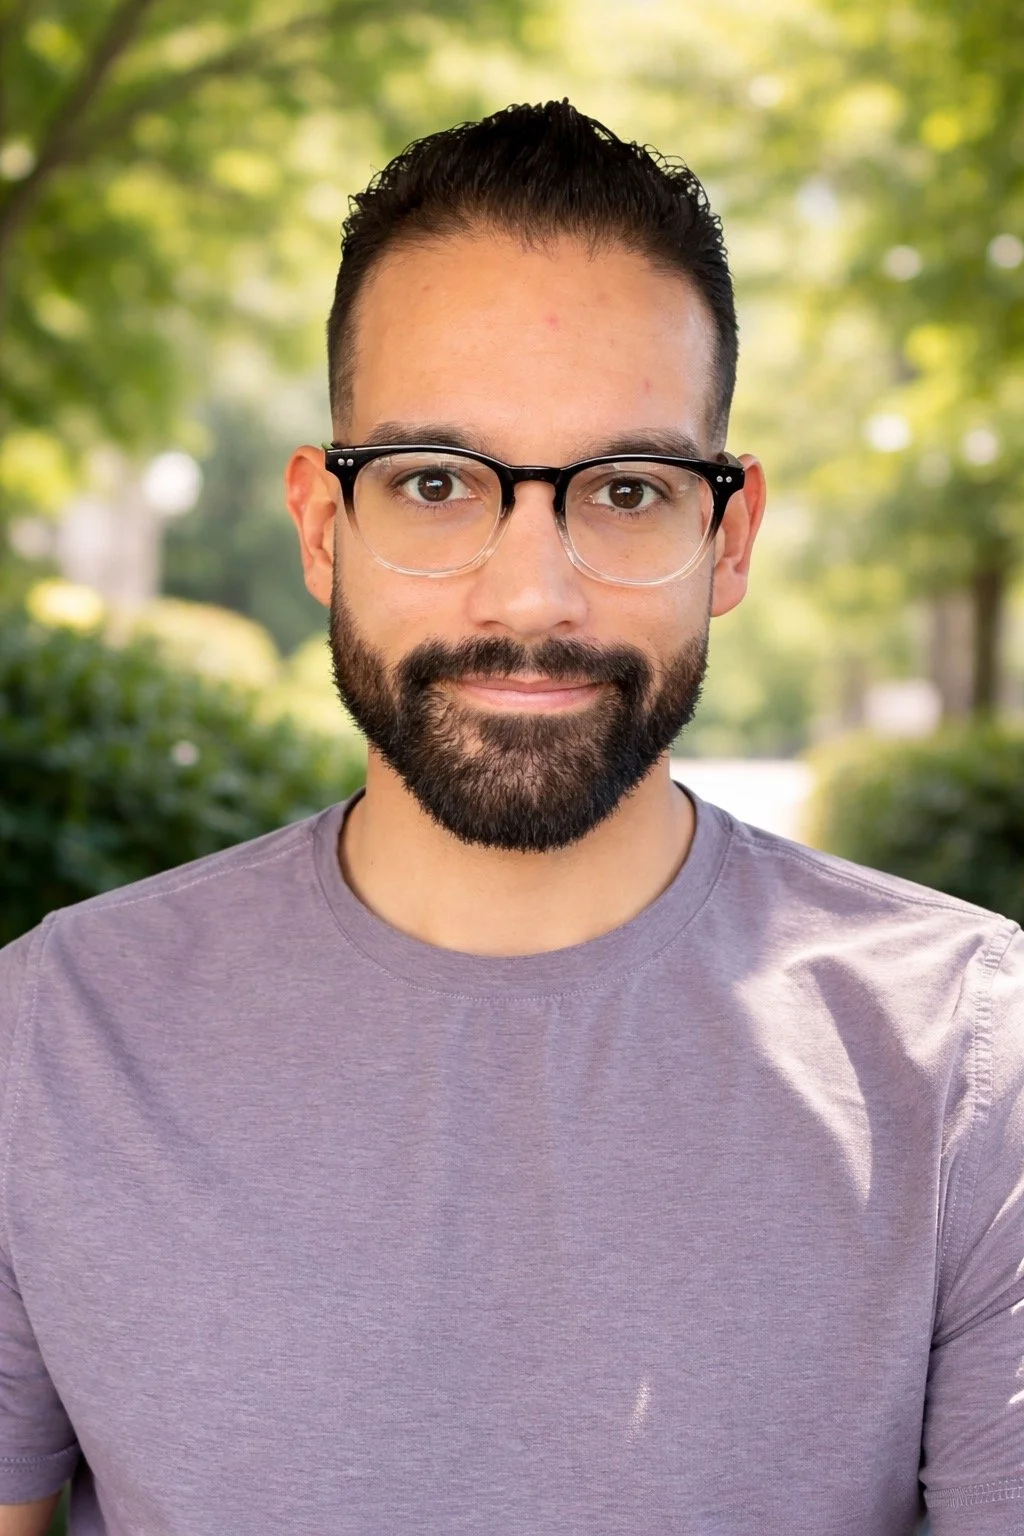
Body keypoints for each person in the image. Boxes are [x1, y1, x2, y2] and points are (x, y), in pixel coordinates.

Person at [0, 101, 1020, 1536]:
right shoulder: (53, 1039)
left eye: (627, 490)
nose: (531, 595)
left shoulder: (972, 1067)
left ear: (727, 538)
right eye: (433, 483)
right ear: (322, 528)